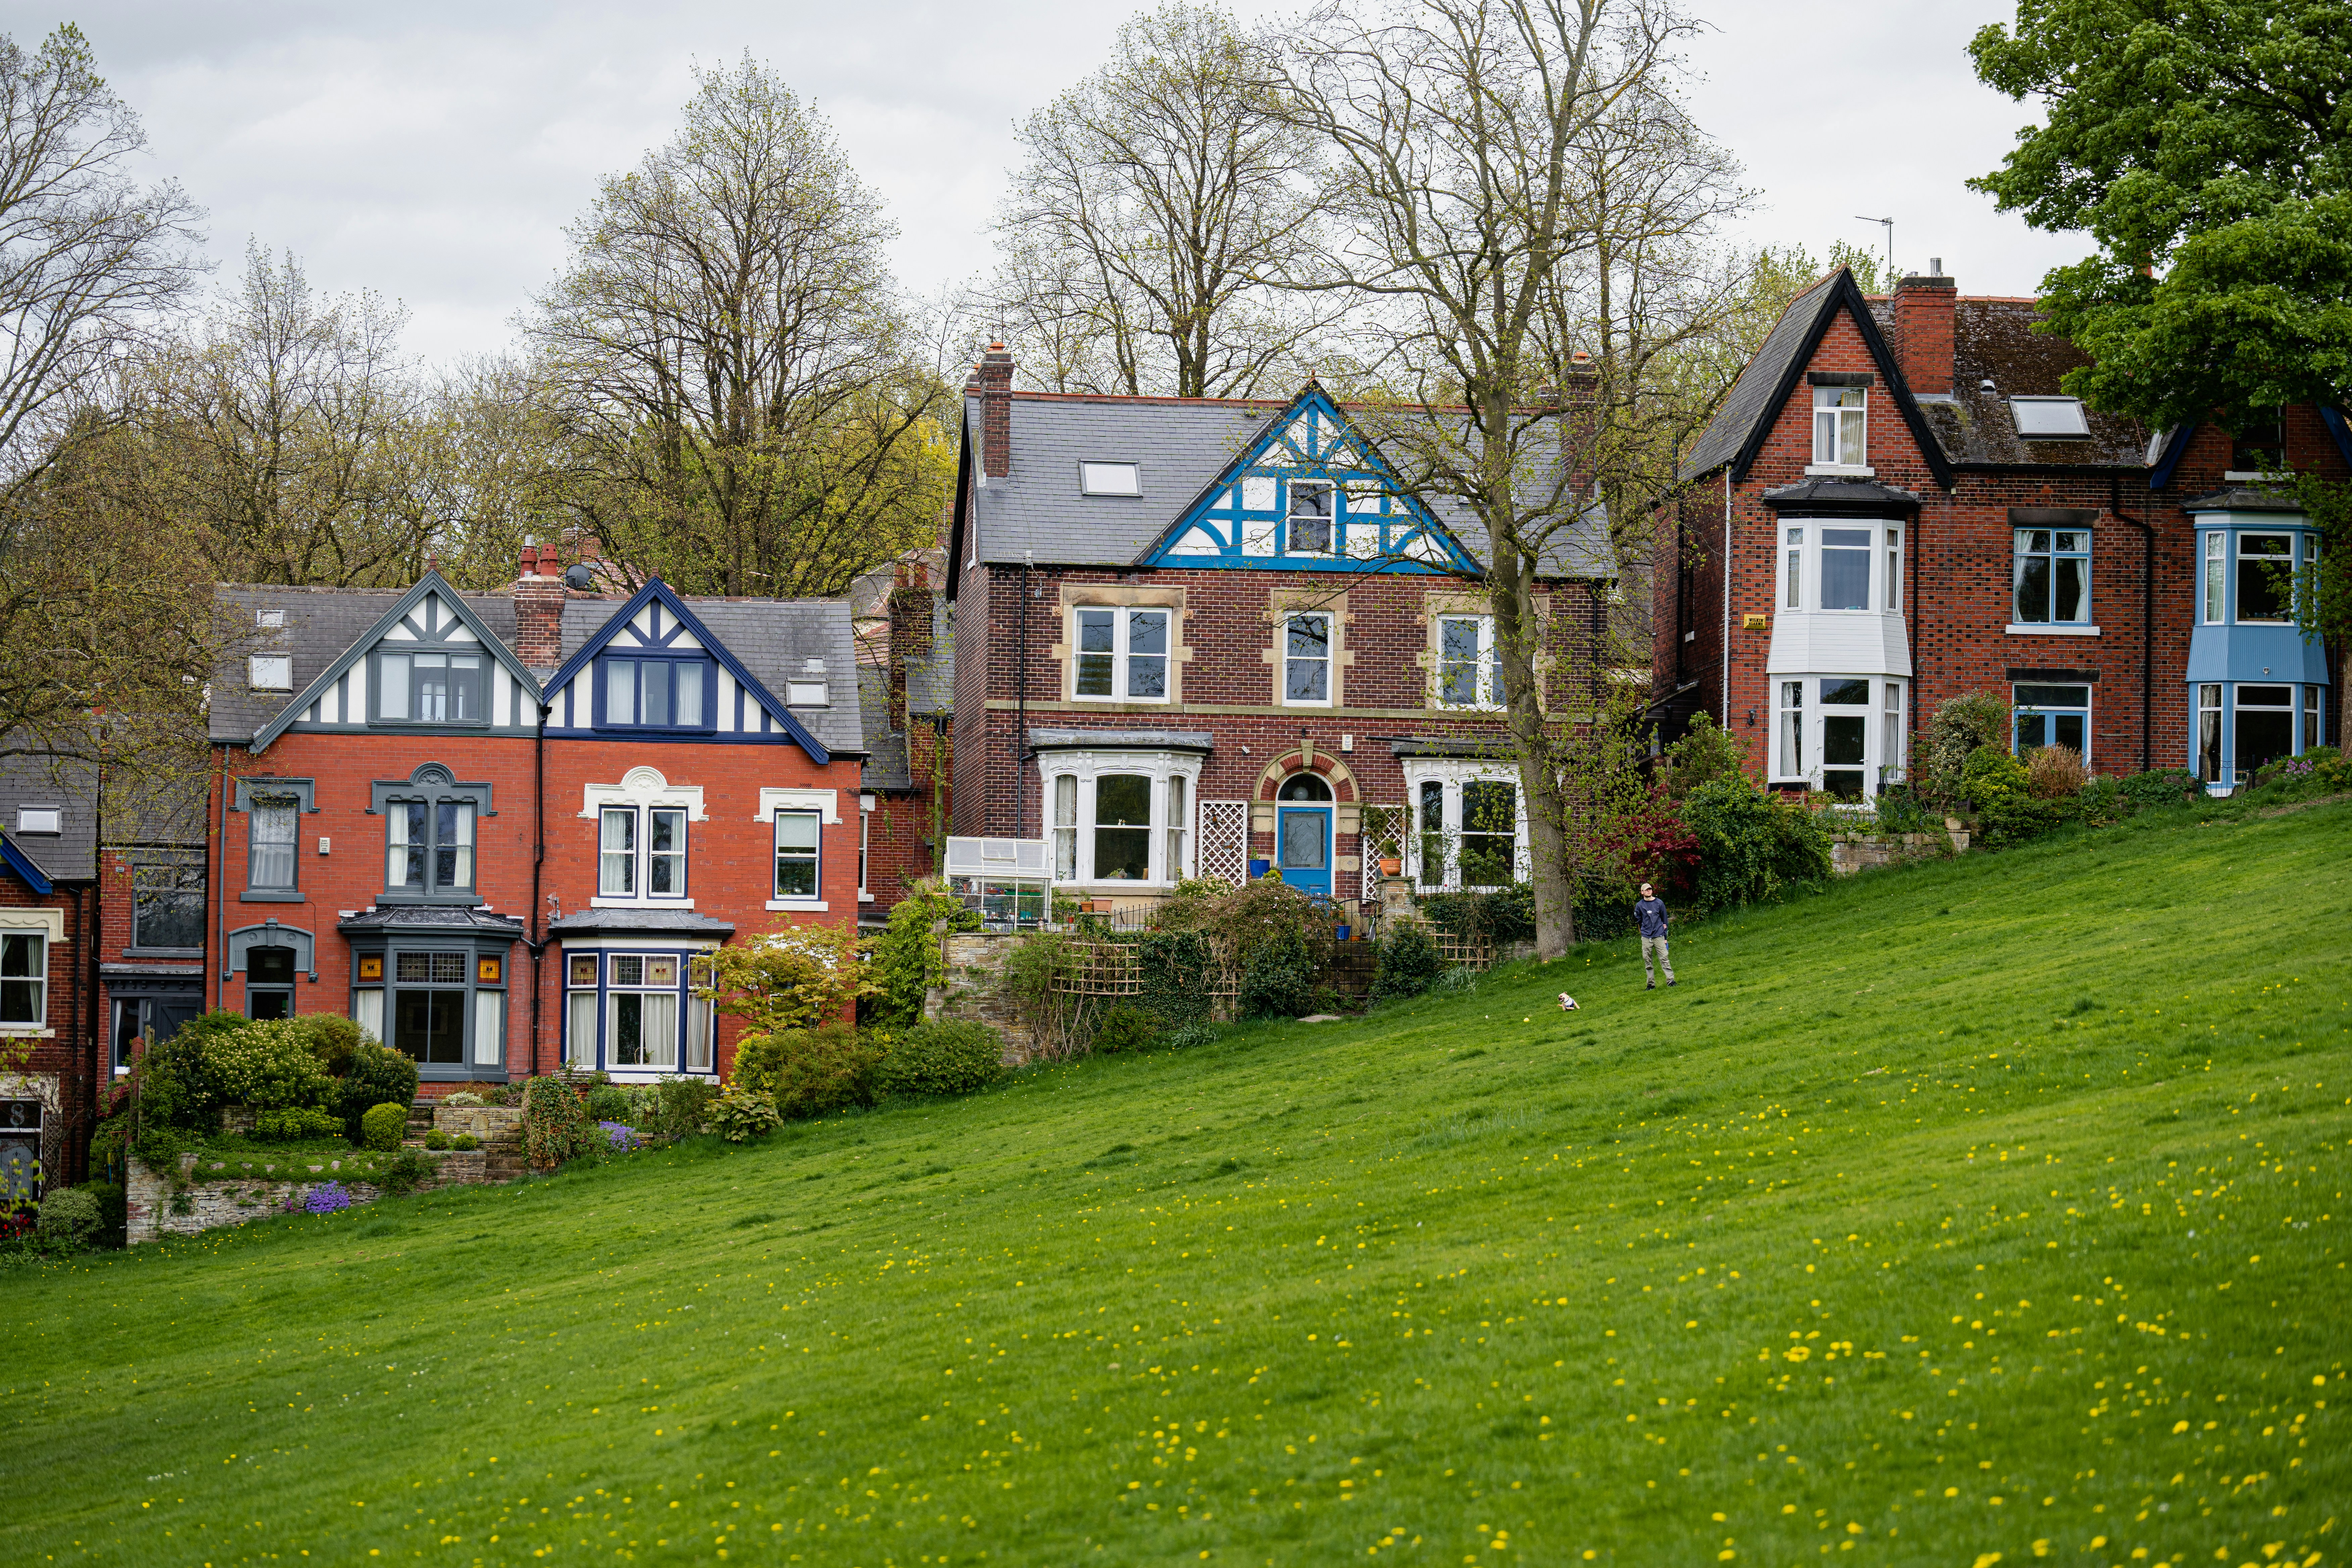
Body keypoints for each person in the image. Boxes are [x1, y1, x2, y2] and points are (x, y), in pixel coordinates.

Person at [1634, 881, 1674, 989]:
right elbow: (1638, 920)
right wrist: (1645, 929)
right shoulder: (1640, 905)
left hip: (1659, 936)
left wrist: (1665, 938)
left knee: (1665, 959)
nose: (1649, 891)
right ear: (1642, 892)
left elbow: (1665, 920)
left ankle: (1671, 981)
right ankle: (1651, 985)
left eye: (1650, 889)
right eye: (1646, 890)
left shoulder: (1659, 903)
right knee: (1648, 961)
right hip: (1646, 937)